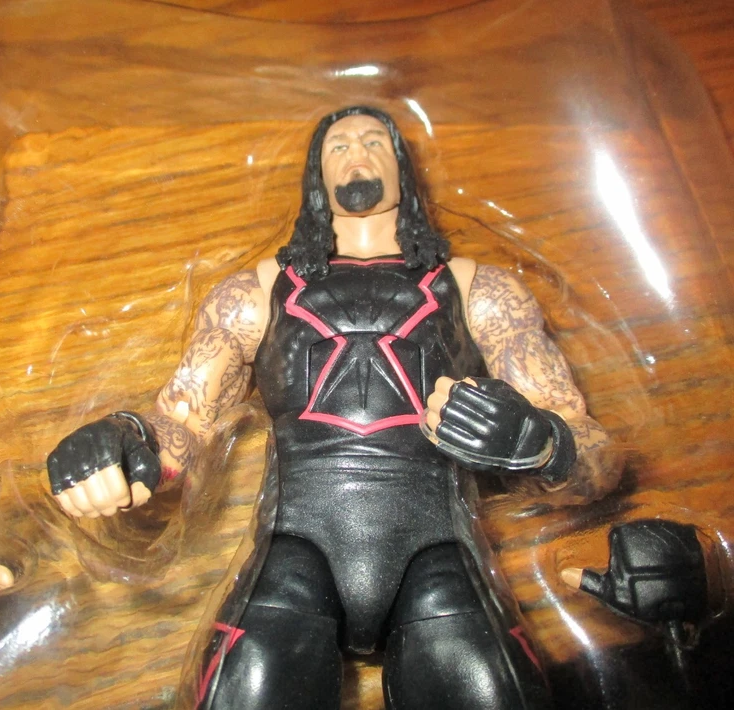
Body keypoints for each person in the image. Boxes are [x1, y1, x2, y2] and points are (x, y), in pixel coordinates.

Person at [43, 105, 619, 710]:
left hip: (440, 556)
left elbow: (595, 453)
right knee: (240, 688)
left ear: (403, 166)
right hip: (293, 553)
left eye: (373, 141)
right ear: (316, 176)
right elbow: (186, 421)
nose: (356, 154)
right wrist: (125, 441)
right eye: (338, 147)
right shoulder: (255, 293)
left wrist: (542, 442)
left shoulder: (482, 290)